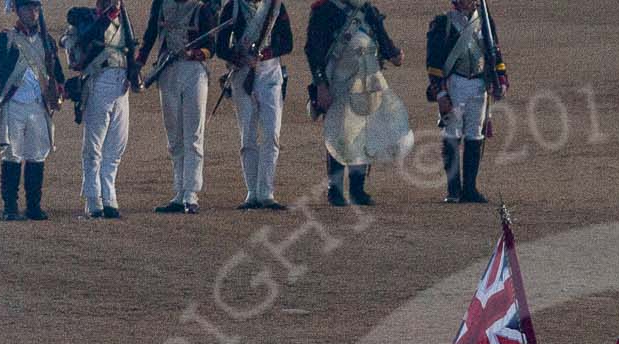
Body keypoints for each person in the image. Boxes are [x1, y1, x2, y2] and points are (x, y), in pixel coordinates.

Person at [306, 0, 407, 208]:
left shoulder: (368, 10)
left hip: (367, 83)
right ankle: (335, 191)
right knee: (339, 135)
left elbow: (381, 39)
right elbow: (313, 50)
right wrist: (321, 85)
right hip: (338, 82)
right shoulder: (324, 10)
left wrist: (394, 53)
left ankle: (357, 190)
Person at [0, 0, 64, 221]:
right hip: (13, 104)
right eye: (28, 8)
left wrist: (58, 92)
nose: (33, 12)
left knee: (37, 156)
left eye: (36, 8)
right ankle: (10, 206)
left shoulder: (47, 41)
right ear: (18, 11)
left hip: (38, 106)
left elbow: (57, 74)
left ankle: (33, 205)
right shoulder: (6, 39)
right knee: (12, 155)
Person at [136, 0, 217, 212]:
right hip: (167, 69)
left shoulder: (201, 7)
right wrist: (138, 63)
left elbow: (211, 46)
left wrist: (195, 53)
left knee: (194, 134)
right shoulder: (161, 4)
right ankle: (179, 192)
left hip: (194, 71)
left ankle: (191, 194)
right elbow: (150, 34)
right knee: (174, 134)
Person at [62, 0, 137, 218]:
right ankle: (93, 199)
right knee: (94, 145)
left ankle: (109, 195)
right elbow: (88, 38)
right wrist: (107, 16)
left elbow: (129, 45)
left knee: (116, 144)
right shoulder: (86, 17)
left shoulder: (123, 17)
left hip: (121, 81)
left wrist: (133, 70)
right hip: (99, 79)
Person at [423, 0, 503, 204]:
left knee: (475, 135)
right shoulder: (443, 23)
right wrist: (441, 94)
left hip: (479, 85)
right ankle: (453, 189)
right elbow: (434, 62)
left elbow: (495, 51)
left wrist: (501, 78)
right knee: (452, 133)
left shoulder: (484, 20)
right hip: (455, 84)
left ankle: (470, 188)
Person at [215, 0, 290, 210]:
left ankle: (266, 193)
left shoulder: (275, 6)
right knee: (247, 135)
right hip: (242, 74)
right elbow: (220, 46)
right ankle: (252, 193)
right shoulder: (233, 7)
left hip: (270, 72)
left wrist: (265, 53)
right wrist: (236, 57)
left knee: (271, 134)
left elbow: (287, 42)